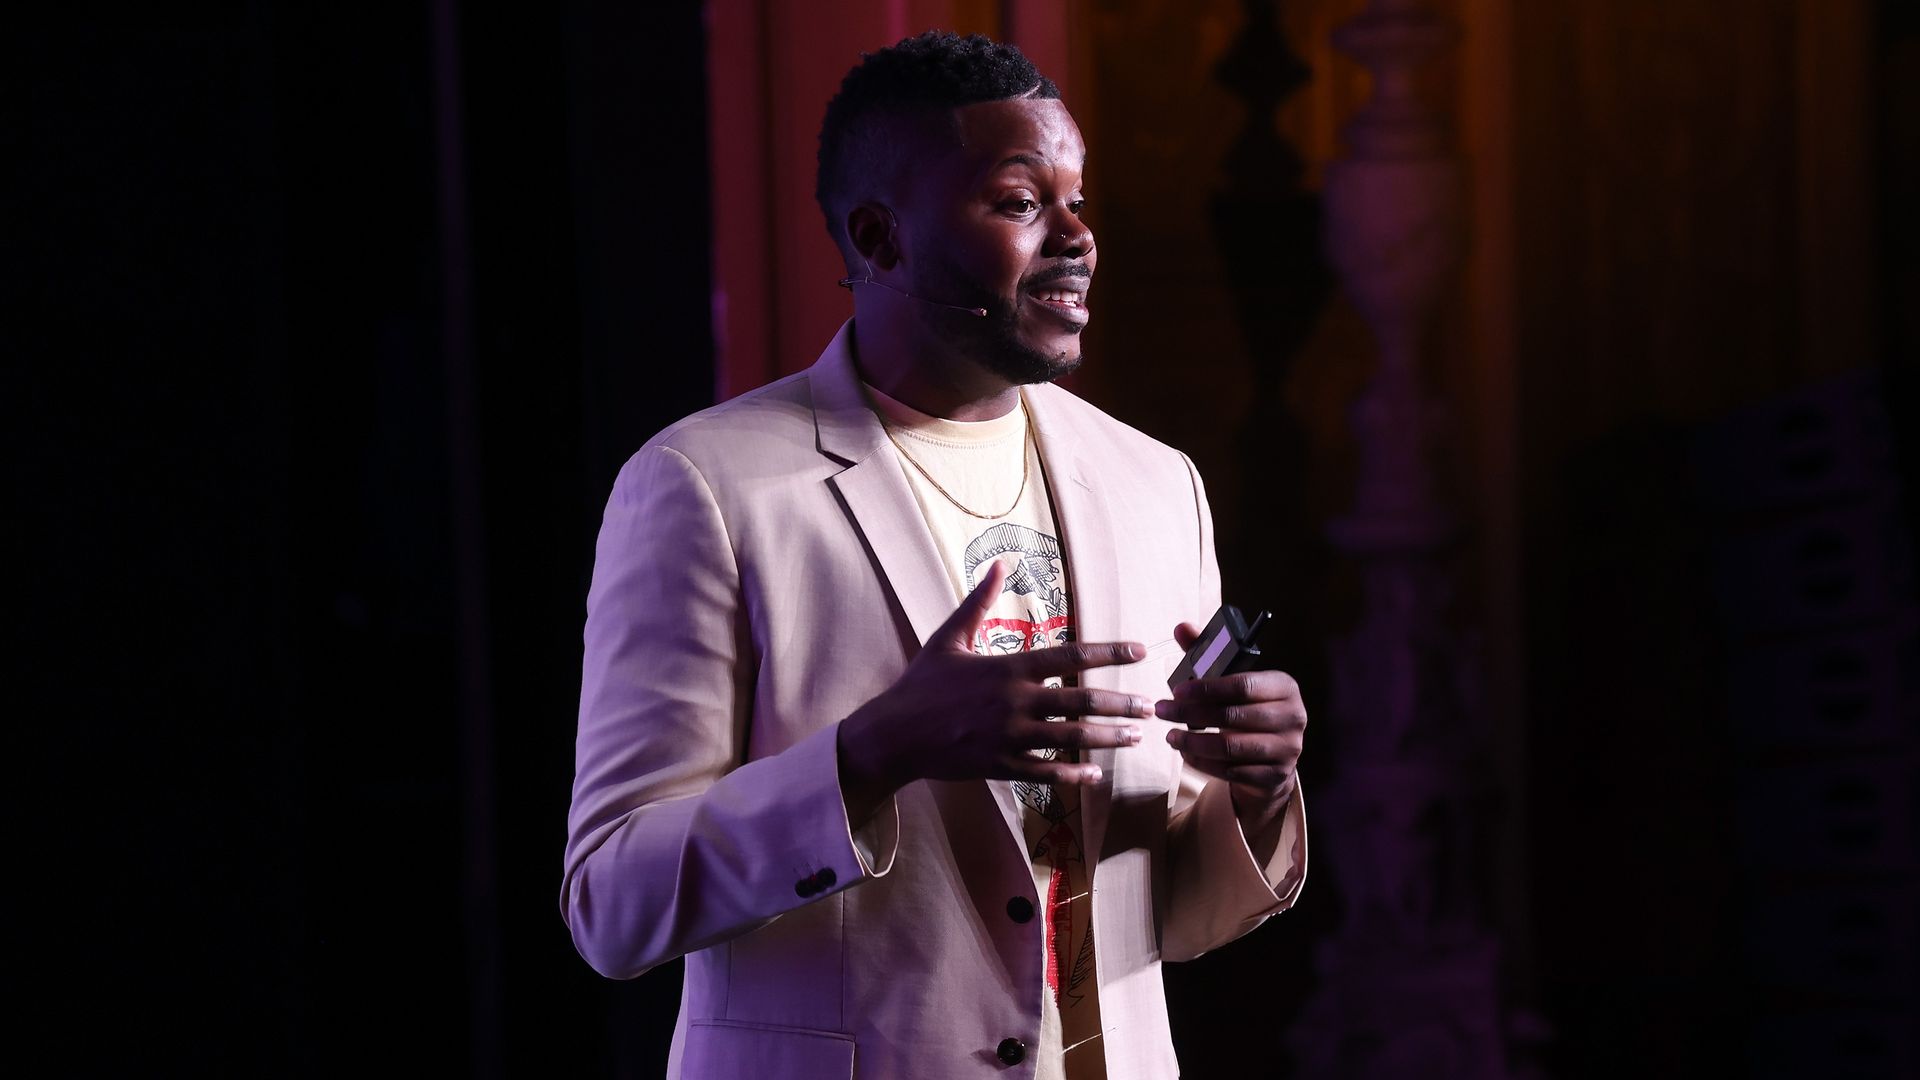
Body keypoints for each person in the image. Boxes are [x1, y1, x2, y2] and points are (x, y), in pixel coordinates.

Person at [562, 31, 1308, 1079]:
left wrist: (1255, 792)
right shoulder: (703, 486)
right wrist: (876, 752)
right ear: (882, 237)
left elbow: (1168, 920)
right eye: (1021, 202)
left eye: (1078, 200)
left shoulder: (1156, 486)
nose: (1078, 237)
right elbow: (611, 903)